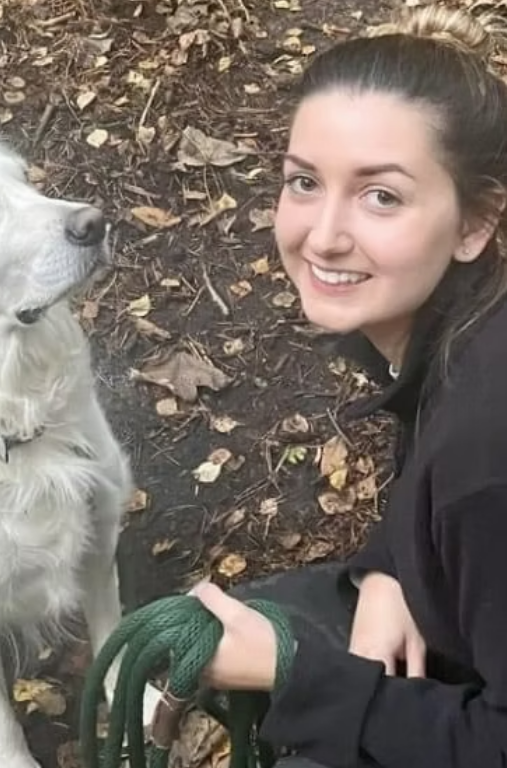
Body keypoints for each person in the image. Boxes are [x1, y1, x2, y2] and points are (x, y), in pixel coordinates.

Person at [190, 4, 507, 767]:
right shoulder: (451, 327)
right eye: (304, 182)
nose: (322, 235)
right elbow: (427, 493)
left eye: (381, 196)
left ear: (474, 223)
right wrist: (390, 569)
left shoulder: (487, 460)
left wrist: (299, 676)